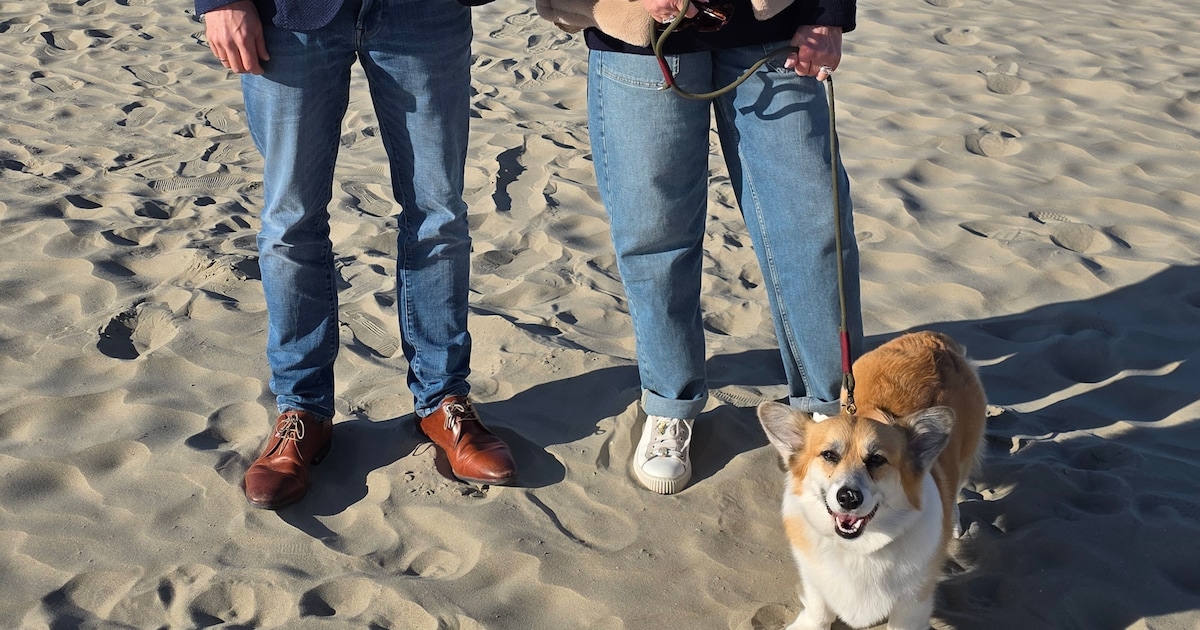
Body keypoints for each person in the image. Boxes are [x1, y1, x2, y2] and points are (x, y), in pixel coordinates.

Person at [197, 0, 517, 510]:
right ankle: (302, 411)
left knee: (439, 215)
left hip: (424, 12)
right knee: (290, 221)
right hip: (287, 14)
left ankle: (444, 401)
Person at [535, 0, 863, 493]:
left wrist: (830, 11)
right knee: (655, 236)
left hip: (776, 31)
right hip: (639, 38)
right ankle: (669, 406)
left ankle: (833, 409)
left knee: (815, 229)